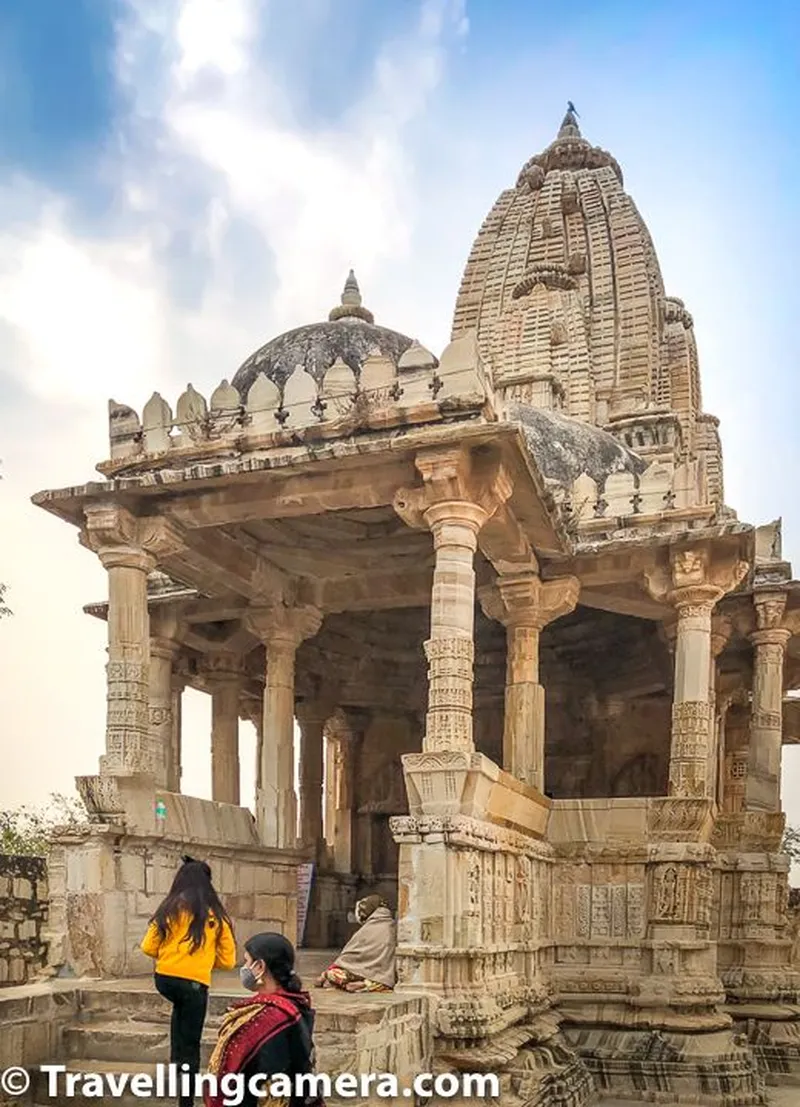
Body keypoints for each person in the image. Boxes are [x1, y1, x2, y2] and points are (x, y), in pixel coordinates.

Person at [141, 856, 236, 1107]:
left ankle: (176, 1064)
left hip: (164, 980)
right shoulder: (216, 916)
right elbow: (228, 961)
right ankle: (186, 1100)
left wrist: (171, 956)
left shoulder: (168, 908)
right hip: (194, 984)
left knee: (179, 1019)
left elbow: (148, 947)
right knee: (191, 1043)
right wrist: (202, 961)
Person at [205, 932, 320, 1107]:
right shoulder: (295, 1005)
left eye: (247, 961)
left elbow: (227, 1077)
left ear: (260, 966)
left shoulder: (261, 1019)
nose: (244, 968)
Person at [315, 895, 396, 993]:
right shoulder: (393, 926)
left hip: (361, 972)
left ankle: (339, 980)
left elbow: (349, 954)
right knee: (383, 982)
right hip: (379, 975)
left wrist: (326, 973)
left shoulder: (367, 928)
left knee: (333, 974)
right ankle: (364, 984)